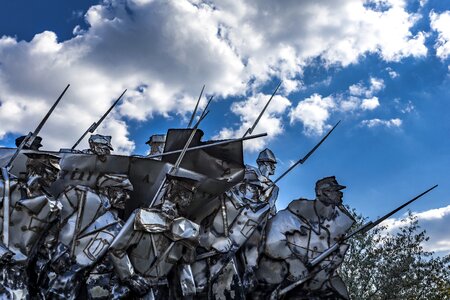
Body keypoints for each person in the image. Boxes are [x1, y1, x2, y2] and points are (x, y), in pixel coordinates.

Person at [191, 148, 279, 299]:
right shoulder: (245, 175)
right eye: (271, 164)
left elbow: (270, 210)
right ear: (264, 164)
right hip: (219, 236)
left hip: (249, 233)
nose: (274, 168)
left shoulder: (273, 189)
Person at [255, 176, 355, 299]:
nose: (340, 194)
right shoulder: (297, 212)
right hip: (277, 275)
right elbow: (272, 238)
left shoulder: (333, 228)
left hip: (309, 285)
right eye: (334, 190)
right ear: (323, 192)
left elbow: (330, 271)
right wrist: (292, 261)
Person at [38, 174, 133, 299]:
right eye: (124, 192)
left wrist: (128, 276)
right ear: (109, 189)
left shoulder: (118, 225)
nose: (127, 196)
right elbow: (55, 220)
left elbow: (117, 252)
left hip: (77, 277)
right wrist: (55, 250)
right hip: (53, 261)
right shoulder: (82, 196)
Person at [108, 175, 201, 299]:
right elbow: (116, 249)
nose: (187, 200)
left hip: (161, 289)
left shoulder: (188, 229)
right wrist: (129, 276)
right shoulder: (142, 216)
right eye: (184, 194)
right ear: (171, 191)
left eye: (190, 196)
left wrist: (191, 245)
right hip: (134, 287)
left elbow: (186, 261)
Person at [0, 152, 61, 299]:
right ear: (38, 168)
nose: (56, 176)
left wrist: (41, 278)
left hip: (19, 274)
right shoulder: (8, 187)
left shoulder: (53, 207)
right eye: (52, 170)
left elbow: (46, 247)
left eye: (57, 172)